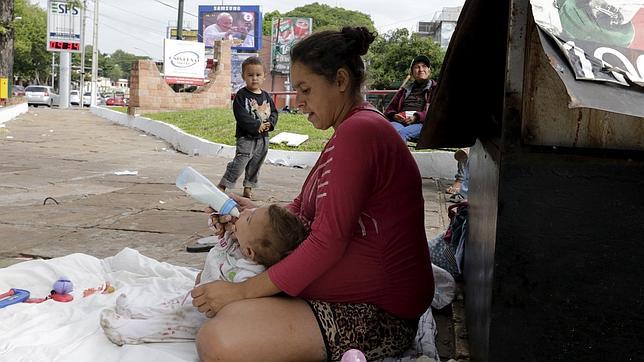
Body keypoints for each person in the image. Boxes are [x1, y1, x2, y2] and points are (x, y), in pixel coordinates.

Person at [191, 27, 434, 361]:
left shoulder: (361, 132)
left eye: (305, 89)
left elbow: (327, 241)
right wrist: (250, 215)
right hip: (342, 296)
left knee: (219, 340)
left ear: (341, 80)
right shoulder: (348, 131)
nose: (299, 101)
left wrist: (242, 292)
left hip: (377, 314)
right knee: (212, 284)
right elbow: (306, 209)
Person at [99, 204, 307, 346]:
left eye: (249, 218)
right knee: (173, 304)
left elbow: (236, 300)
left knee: (173, 322)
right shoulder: (240, 243)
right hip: (198, 294)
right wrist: (225, 227)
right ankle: (141, 312)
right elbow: (222, 245)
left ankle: (130, 332)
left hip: (206, 312)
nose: (244, 213)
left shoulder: (250, 273)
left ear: (251, 252)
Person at [218, 56, 277, 199]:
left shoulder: (266, 96)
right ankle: (224, 184)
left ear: (264, 76)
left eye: (258, 75)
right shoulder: (241, 95)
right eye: (250, 75)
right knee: (240, 162)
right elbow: (241, 115)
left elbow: (274, 112)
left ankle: (249, 186)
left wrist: (271, 123)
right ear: (244, 76)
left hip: (263, 139)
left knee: (256, 164)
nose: (254, 78)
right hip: (246, 138)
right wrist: (257, 125)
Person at [384, 55, 437, 143]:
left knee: (401, 134)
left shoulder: (435, 89)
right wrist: (394, 115)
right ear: (412, 73)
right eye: (417, 67)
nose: (421, 70)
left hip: (422, 124)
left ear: (429, 71)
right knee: (388, 130)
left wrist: (416, 117)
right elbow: (389, 109)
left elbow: (436, 112)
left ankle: (398, 157)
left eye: (424, 66)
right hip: (400, 122)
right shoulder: (405, 90)